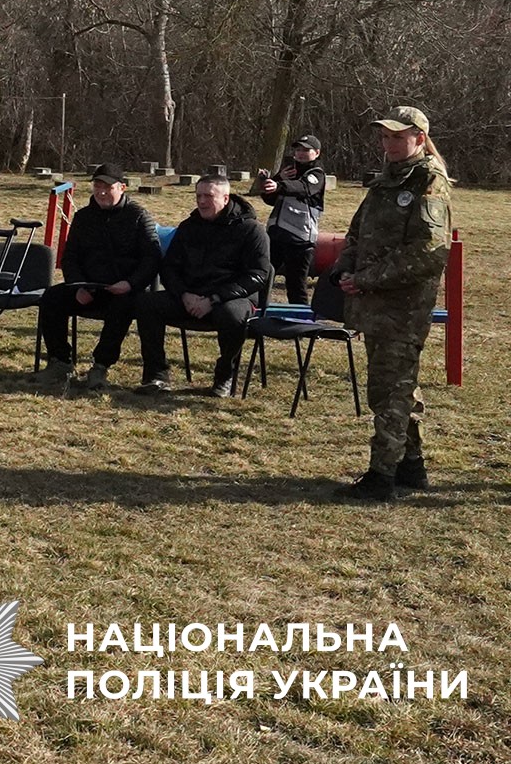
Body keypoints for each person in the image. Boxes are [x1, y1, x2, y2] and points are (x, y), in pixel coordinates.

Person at [332, 106, 452, 502]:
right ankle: (411, 466)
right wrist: (345, 270)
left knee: (389, 391)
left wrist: (367, 278)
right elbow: (357, 232)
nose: (390, 144)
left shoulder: (427, 181)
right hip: (373, 304)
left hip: (403, 306)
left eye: (398, 137)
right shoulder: (385, 182)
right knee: (398, 385)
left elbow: (429, 250)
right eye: (385, 137)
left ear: (419, 138)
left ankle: (381, 475)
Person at [132, 175, 270, 395]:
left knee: (231, 315)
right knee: (147, 303)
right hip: (190, 297)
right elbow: (169, 267)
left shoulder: (251, 230)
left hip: (232, 299)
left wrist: (214, 299)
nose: (202, 201)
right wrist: (183, 294)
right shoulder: (189, 227)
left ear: (226, 198)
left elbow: (258, 274)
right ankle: (156, 375)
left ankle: (225, 375)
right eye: (199, 196)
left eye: (209, 196)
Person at [38, 164, 163, 388]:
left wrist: (130, 283)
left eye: (108, 187)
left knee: (123, 306)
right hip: (88, 286)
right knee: (51, 298)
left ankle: (100, 366)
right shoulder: (84, 217)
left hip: (124, 289)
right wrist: (78, 285)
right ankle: (61, 362)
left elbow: (151, 259)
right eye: (97, 186)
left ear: (122, 187)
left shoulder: (139, 216)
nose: (101, 192)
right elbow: (70, 257)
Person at [257, 133, 327, 304]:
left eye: (306, 150)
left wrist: (280, 184)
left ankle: (302, 326)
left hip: (300, 240)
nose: (301, 153)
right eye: (298, 149)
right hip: (277, 236)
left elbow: (303, 188)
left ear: (316, 153)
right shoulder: (287, 172)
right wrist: (272, 181)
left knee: (296, 286)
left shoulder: (316, 174)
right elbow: (270, 199)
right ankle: (256, 317)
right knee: (263, 278)